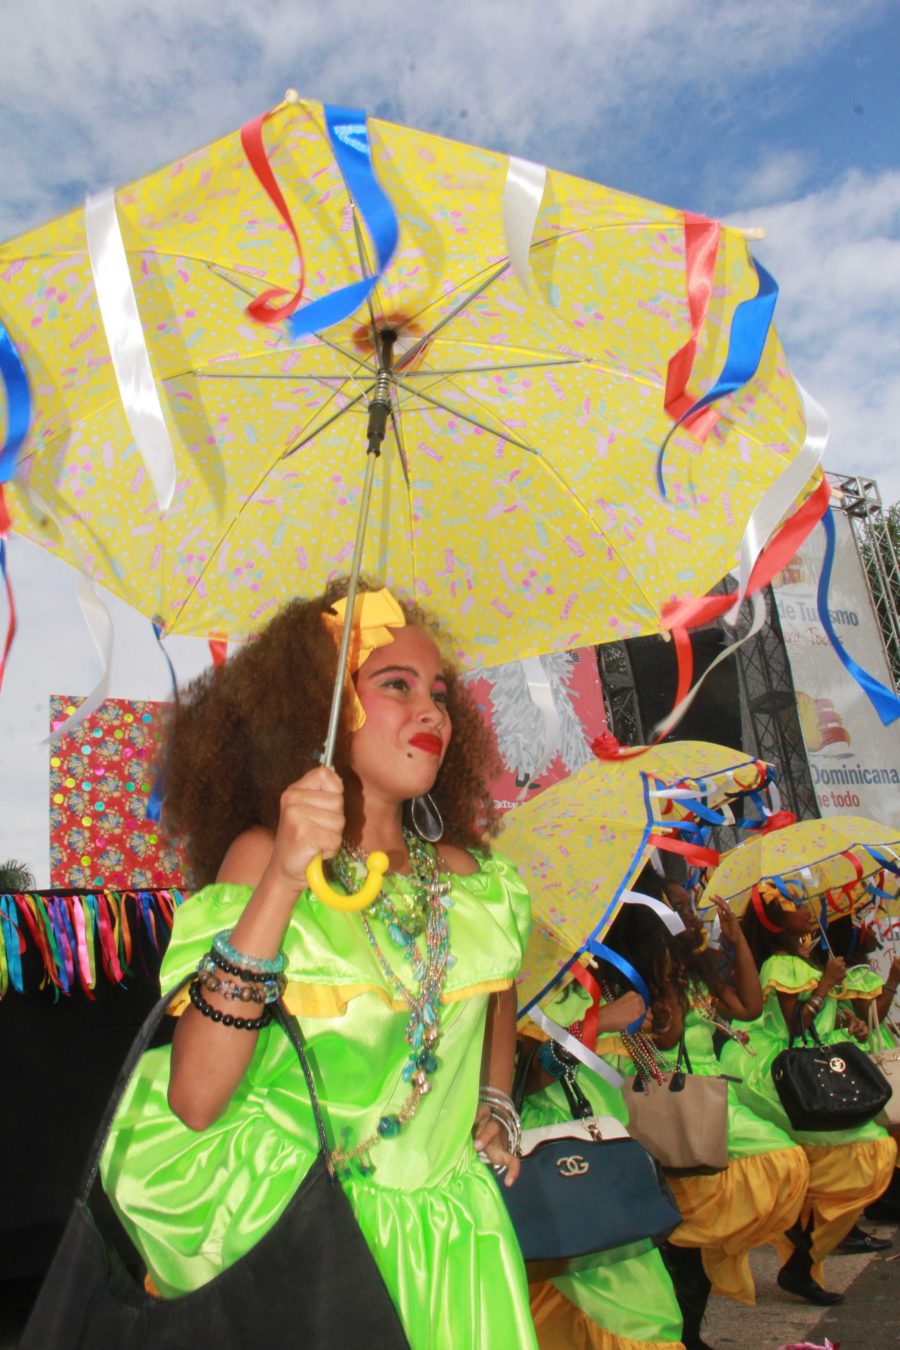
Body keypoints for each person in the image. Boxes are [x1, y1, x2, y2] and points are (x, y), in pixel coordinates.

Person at [100, 582, 538, 1349]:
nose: (431, 711)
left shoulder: (475, 882)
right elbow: (197, 1097)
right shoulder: (265, 858)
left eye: (438, 693)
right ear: (319, 712)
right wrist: (280, 880)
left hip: (454, 1246)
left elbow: (496, 991)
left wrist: (495, 1106)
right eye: (395, 686)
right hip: (306, 1242)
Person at [721, 884, 898, 1305]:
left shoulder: (807, 961)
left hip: (816, 1069)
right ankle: (795, 1235)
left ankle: (800, 1252)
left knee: (866, 1156)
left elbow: (822, 1024)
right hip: (788, 1076)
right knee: (868, 1153)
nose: (807, 910)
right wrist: (825, 987)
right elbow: (796, 1026)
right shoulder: (781, 965)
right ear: (777, 923)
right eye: (796, 907)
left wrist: (850, 1024)